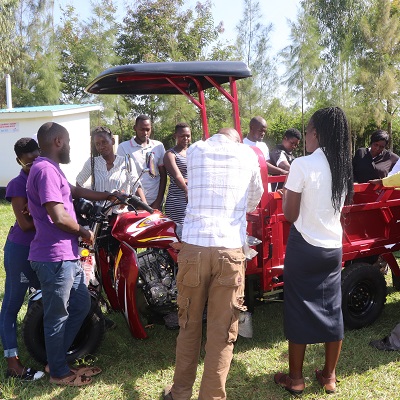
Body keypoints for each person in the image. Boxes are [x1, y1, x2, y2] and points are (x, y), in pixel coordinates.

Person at [163, 128, 263, 400]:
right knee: (221, 332)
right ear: (237, 139)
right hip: (229, 250)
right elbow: (255, 198)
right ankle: (212, 396)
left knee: (188, 326)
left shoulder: (195, 149)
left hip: (194, 247)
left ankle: (180, 393)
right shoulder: (248, 154)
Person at [26, 122, 123, 386]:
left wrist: (110, 196)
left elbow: (76, 191)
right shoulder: (45, 170)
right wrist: (83, 231)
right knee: (57, 316)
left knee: (80, 305)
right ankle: (58, 372)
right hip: (54, 258)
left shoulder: (53, 169)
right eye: (67, 141)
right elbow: (58, 216)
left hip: (66, 256)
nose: (70, 146)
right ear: (58, 141)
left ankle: (55, 360)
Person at [274, 107, 353, 395]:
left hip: (304, 247)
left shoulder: (303, 165)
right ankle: (329, 377)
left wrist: (285, 197)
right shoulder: (343, 166)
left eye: (306, 131)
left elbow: (291, 215)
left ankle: (295, 379)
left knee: (297, 309)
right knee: (333, 310)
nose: (304, 137)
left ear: (316, 133)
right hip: (333, 249)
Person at [0, 138, 44, 381]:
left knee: (49, 293)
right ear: (19, 161)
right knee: (12, 304)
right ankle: (13, 364)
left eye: (36, 159)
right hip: (20, 250)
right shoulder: (18, 184)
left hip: (40, 251)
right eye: (27, 163)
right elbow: (25, 224)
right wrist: (49, 216)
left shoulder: (44, 175)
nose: (33, 165)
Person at [76, 126, 147, 206]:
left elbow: (136, 185)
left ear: (112, 141)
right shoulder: (92, 163)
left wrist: (145, 206)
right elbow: (79, 183)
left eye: (104, 142)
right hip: (98, 215)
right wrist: (89, 200)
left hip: (120, 214)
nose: (101, 147)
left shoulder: (126, 162)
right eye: (97, 144)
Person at [117, 115, 167, 209]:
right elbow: (124, 176)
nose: (145, 133)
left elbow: (163, 175)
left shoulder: (158, 146)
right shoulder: (123, 147)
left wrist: (158, 201)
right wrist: (142, 205)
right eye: (142, 129)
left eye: (148, 129)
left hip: (155, 202)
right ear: (135, 128)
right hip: (133, 203)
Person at [163, 123, 191, 238]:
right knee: (178, 234)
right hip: (178, 200)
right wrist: (188, 189)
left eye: (188, 136)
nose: (185, 138)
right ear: (175, 136)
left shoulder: (193, 152)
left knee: (190, 233)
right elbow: (178, 178)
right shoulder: (170, 154)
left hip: (192, 199)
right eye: (182, 136)